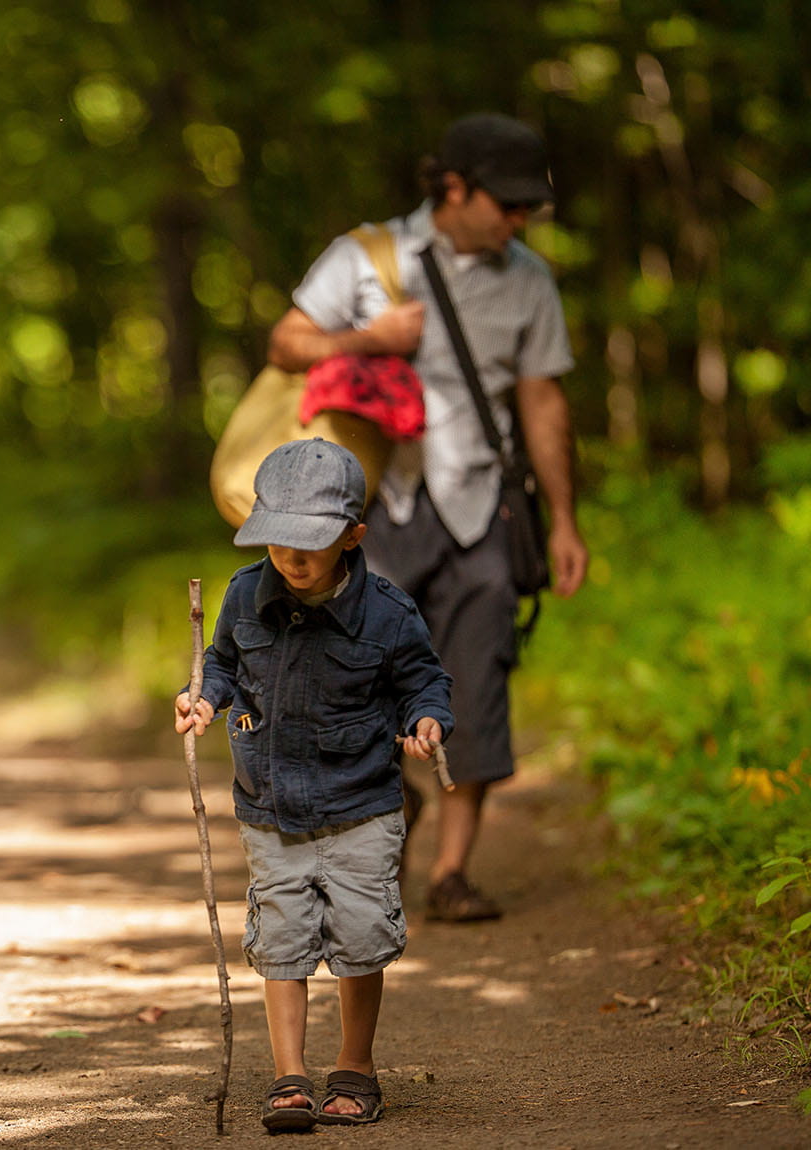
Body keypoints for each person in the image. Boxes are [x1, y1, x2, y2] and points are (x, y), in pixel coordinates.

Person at [264, 112, 590, 923]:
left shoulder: (530, 282)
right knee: (349, 676)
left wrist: (563, 521)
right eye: (505, 204)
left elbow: (544, 402)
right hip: (380, 507)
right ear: (454, 188)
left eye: (527, 208)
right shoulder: (369, 256)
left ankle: (450, 874)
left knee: (476, 685)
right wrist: (367, 337)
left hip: (484, 510)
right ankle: (390, 802)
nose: (518, 220)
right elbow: (284, 344)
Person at [175, 438, 453, 1132]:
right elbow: (223, 666)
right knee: (282, 939)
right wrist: (203, 697)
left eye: (311, 544)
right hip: (270, 807)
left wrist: (425, 718)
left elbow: (424, 679)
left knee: (360, 937)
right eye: (277, 541)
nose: (292, 559)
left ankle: (354, 1064)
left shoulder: (387, 612)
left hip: (361, 804)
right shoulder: (245, 596)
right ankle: (288, 1075)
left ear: (354, 537)